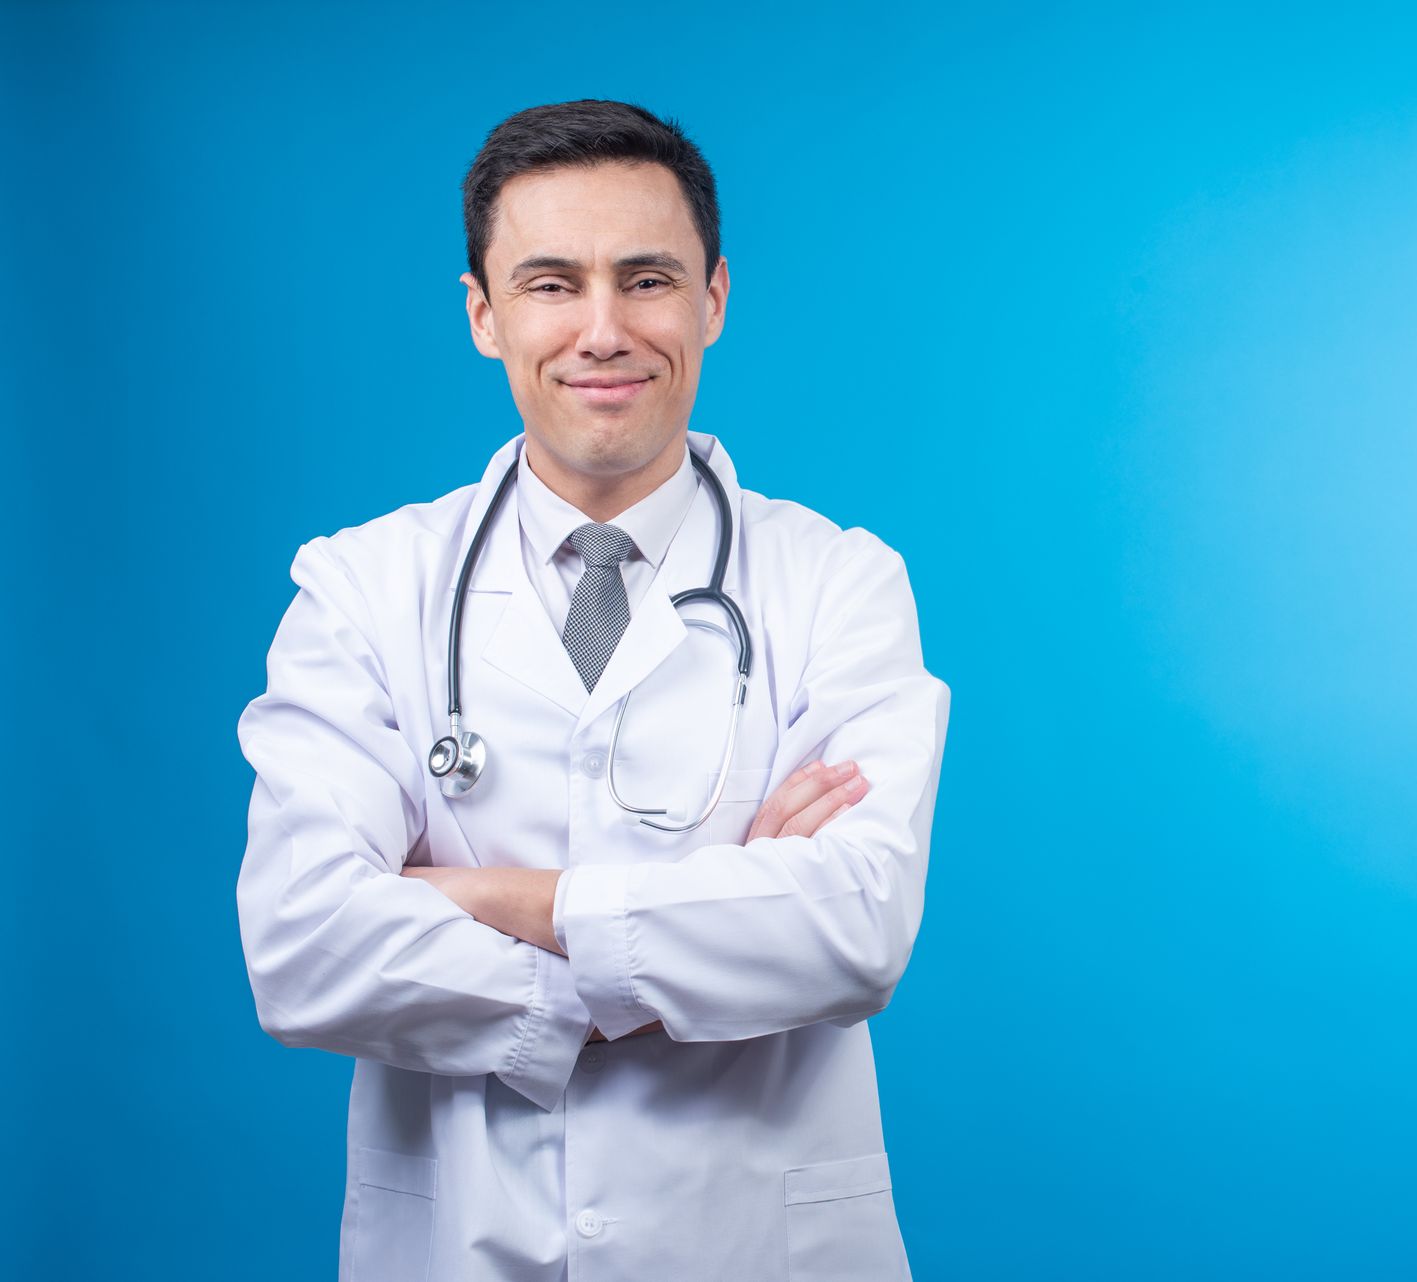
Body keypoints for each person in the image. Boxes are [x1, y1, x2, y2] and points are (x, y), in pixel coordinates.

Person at [234, 99, 950, 1282]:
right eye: (552, 283)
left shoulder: (838, 582)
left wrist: (490, 894)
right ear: (484, 314)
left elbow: (852, 928)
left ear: (714, 297)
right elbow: (303, 944)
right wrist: (690, 936)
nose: (603, 330)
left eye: (648, 278)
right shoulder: (363, 585)